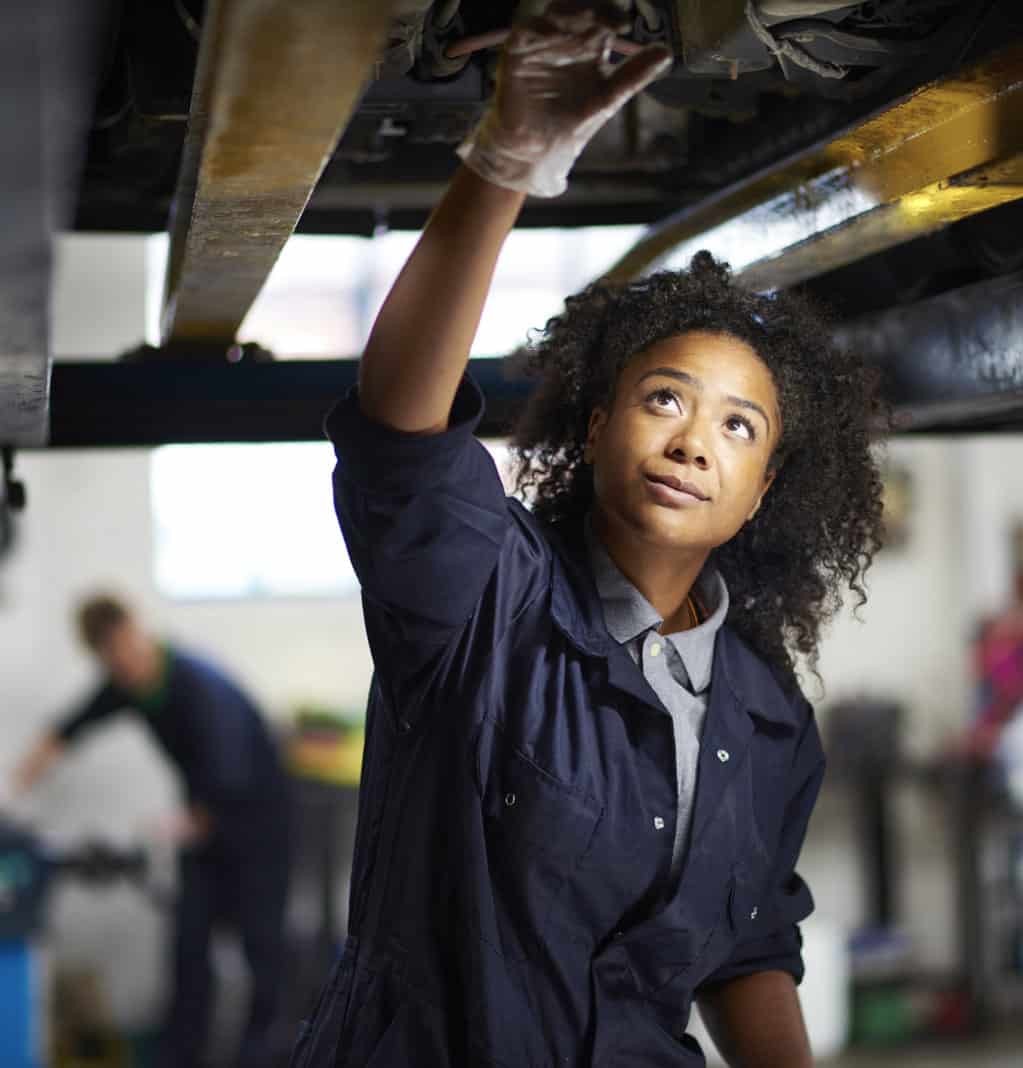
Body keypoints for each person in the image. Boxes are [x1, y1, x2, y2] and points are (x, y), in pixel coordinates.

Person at [291, 3, 884, 1065]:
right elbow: (399, 429)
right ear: (598, 423)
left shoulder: (765, 718)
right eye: (664, 400)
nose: (694, 440)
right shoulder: (486, 600)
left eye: (737, 427)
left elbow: (746, 947)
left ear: (761, 490)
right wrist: (507, 158)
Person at [13, 594, 292, 1068]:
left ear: (137, 631)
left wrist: (174, 827)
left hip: (257, 821)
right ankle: (181, 1053)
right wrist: (7, 794)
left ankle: (264, 1053)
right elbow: (64, 731)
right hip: (201, 822)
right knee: (189, 941)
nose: (124, 664)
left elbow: (231, 776)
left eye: (127, 649)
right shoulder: (127, 683)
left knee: (259, 943)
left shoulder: (197, 685)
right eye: (111, 658)